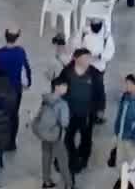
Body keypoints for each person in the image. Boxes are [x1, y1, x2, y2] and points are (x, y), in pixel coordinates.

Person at [58, 50, 96, 180]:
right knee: (68, 139)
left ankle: (83, 159)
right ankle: (72, 162)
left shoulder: (93, 73)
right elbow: (58, 89)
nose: (88, 61)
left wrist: (98, 109)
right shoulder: (66, 73)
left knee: (86, 138)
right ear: (75, 59)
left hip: (86, 113)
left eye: (89, 59)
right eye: (85, 58)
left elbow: (99, 92)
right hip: (70, 113)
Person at [0, 29, 30, 150]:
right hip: (16, 88)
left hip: (1, 88)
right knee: (14, 115)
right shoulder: (20, 52)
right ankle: (11, 142)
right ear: (17, 37)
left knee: (1, 114)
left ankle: (0, 140)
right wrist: (28, 83)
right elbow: (26, 69)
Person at [31, 77, 68, 189]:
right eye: (64, 86)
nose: (66, 88)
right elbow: (64, 123)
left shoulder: (46, 99)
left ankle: (46, 181)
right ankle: (69, 184)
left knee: (46, 157)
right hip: (56, 135)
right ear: (57, 87)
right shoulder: (62, 104)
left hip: (44, 133)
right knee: (62, 160)